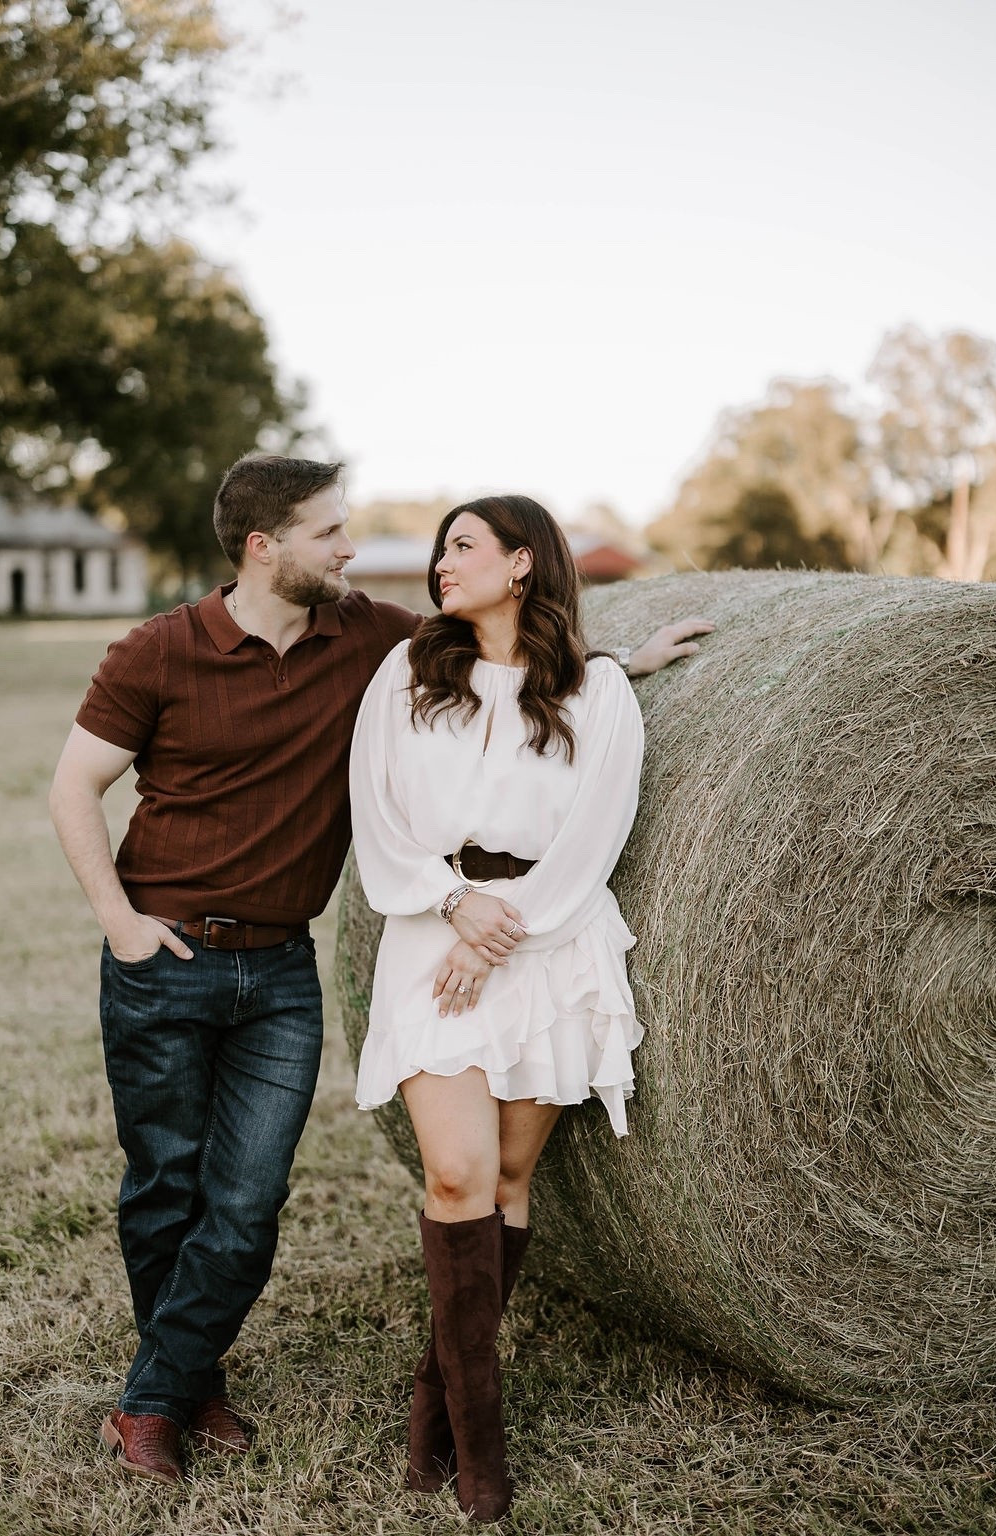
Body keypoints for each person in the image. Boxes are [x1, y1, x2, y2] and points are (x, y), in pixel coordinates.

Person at [48, 453, 712, 1488]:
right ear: (265, 545)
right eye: (330, 532)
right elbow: (72, 789)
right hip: (165, 955)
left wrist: (627, 660)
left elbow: (519, 664)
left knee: (247, 1203)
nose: (353, 550)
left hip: (280, 967)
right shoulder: (163, 649)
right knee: (166, 1186)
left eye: (349, 530)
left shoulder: (364, 635)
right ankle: (172, 1392)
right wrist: (121, 925)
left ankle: (172, 1388)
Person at [349, 495, 652, 1522]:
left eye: (463, 546)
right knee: (456, 1173)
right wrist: (455, 909)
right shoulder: (405, 676)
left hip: (550, 945)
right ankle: (483, 1450)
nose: (442, 563)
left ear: (522, 563)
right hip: (433, 931)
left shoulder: (598, 690)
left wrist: (502, 934)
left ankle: (437, 1403)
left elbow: (595, 836)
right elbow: (376, 814)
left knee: (509, 1178)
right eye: (440, 548)